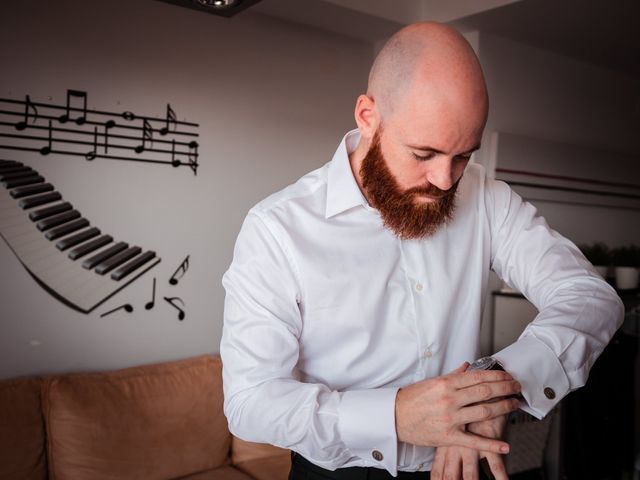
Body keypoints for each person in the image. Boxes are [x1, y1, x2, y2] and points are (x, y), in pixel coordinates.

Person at [220, 22, 623, 480]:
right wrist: (394, 415)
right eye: (424, 153)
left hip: (460, 465)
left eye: (463, 155)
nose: (445, 181)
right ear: (368, 116)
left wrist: (492, 390)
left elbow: (591, 298)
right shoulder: (276, 229)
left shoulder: (486, 197)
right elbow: (250, 402)